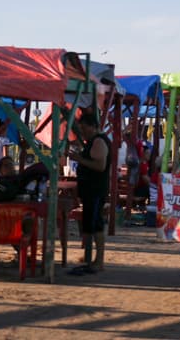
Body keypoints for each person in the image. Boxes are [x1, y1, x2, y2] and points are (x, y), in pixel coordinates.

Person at [68, 111, 111, 275]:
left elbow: (100, 166)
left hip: (95, 189)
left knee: (96, 224)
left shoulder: (99, 141)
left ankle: (98, 260)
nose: (83, 131)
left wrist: (79, 159)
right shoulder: (93, 141)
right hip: (91, 189)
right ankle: (92, 258)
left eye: (84, 128)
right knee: (92, 223)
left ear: (93, 126)